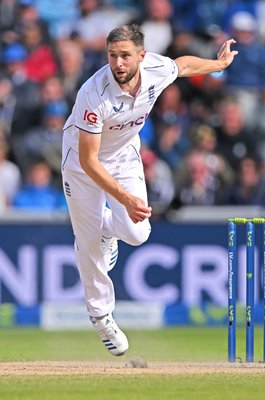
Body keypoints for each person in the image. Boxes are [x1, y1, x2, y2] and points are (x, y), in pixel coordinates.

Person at [61, 24, 237, 356]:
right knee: (87, 244)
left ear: (141, 56)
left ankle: (108, 230)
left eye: (125, 56)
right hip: (83, 165)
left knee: (138, 233)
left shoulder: (155, 68)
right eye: (112, 56)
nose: (118, 64)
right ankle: (101, 316)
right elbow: (89, 160)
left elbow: (182, 65)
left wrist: (218, 65)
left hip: (124, 156)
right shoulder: (93, 93)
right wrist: (124, 199)